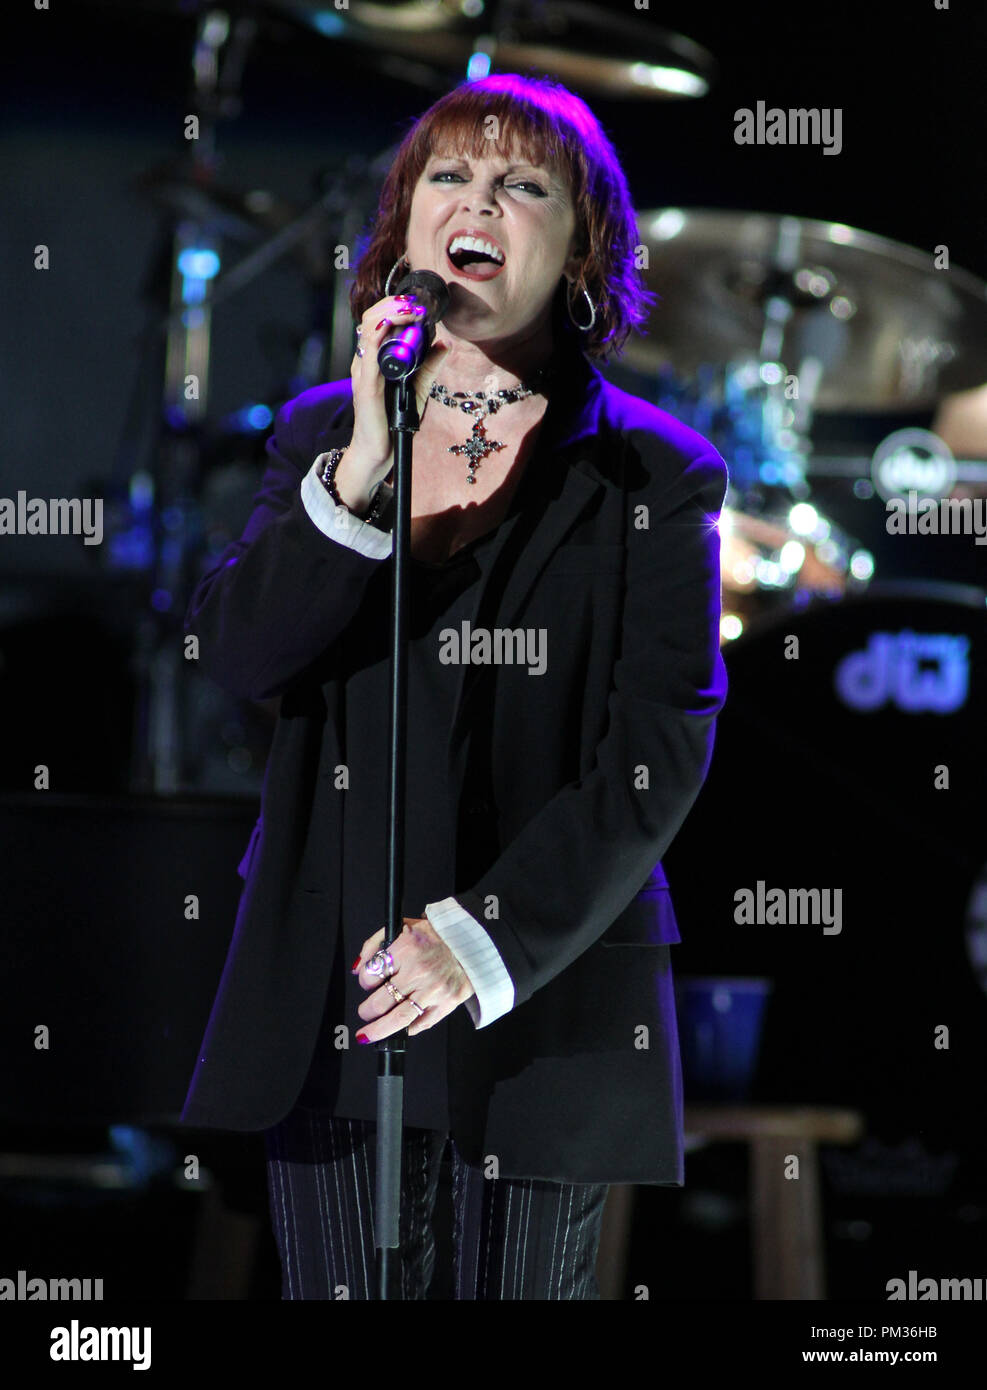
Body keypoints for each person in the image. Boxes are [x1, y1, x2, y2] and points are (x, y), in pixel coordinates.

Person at [180, 72, 728, 1301]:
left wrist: (478, 939)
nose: (477, 198)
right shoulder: (324, 434)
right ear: (405, 224)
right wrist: (365, 467)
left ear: (583, 244)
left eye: (522, 183)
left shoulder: (655, 473)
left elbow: (662, 746)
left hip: (539, 998)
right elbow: (239, 657)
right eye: (450, 175)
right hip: (336, 983)